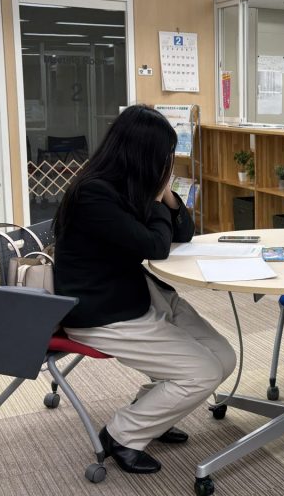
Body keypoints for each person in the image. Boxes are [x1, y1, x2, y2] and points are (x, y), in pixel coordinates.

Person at [53, 105, 235, 475]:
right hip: (103, 311)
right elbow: (156, 246)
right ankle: (121, 435)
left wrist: (167, 196)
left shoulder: (128, 186)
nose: (168, 163)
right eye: (164, 157)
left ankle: (152, 412)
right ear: (142, 155)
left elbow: (183, 232)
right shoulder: (94, 194)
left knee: (224, 358)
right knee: (201, 372)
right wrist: (156, 198)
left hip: (139, 295)